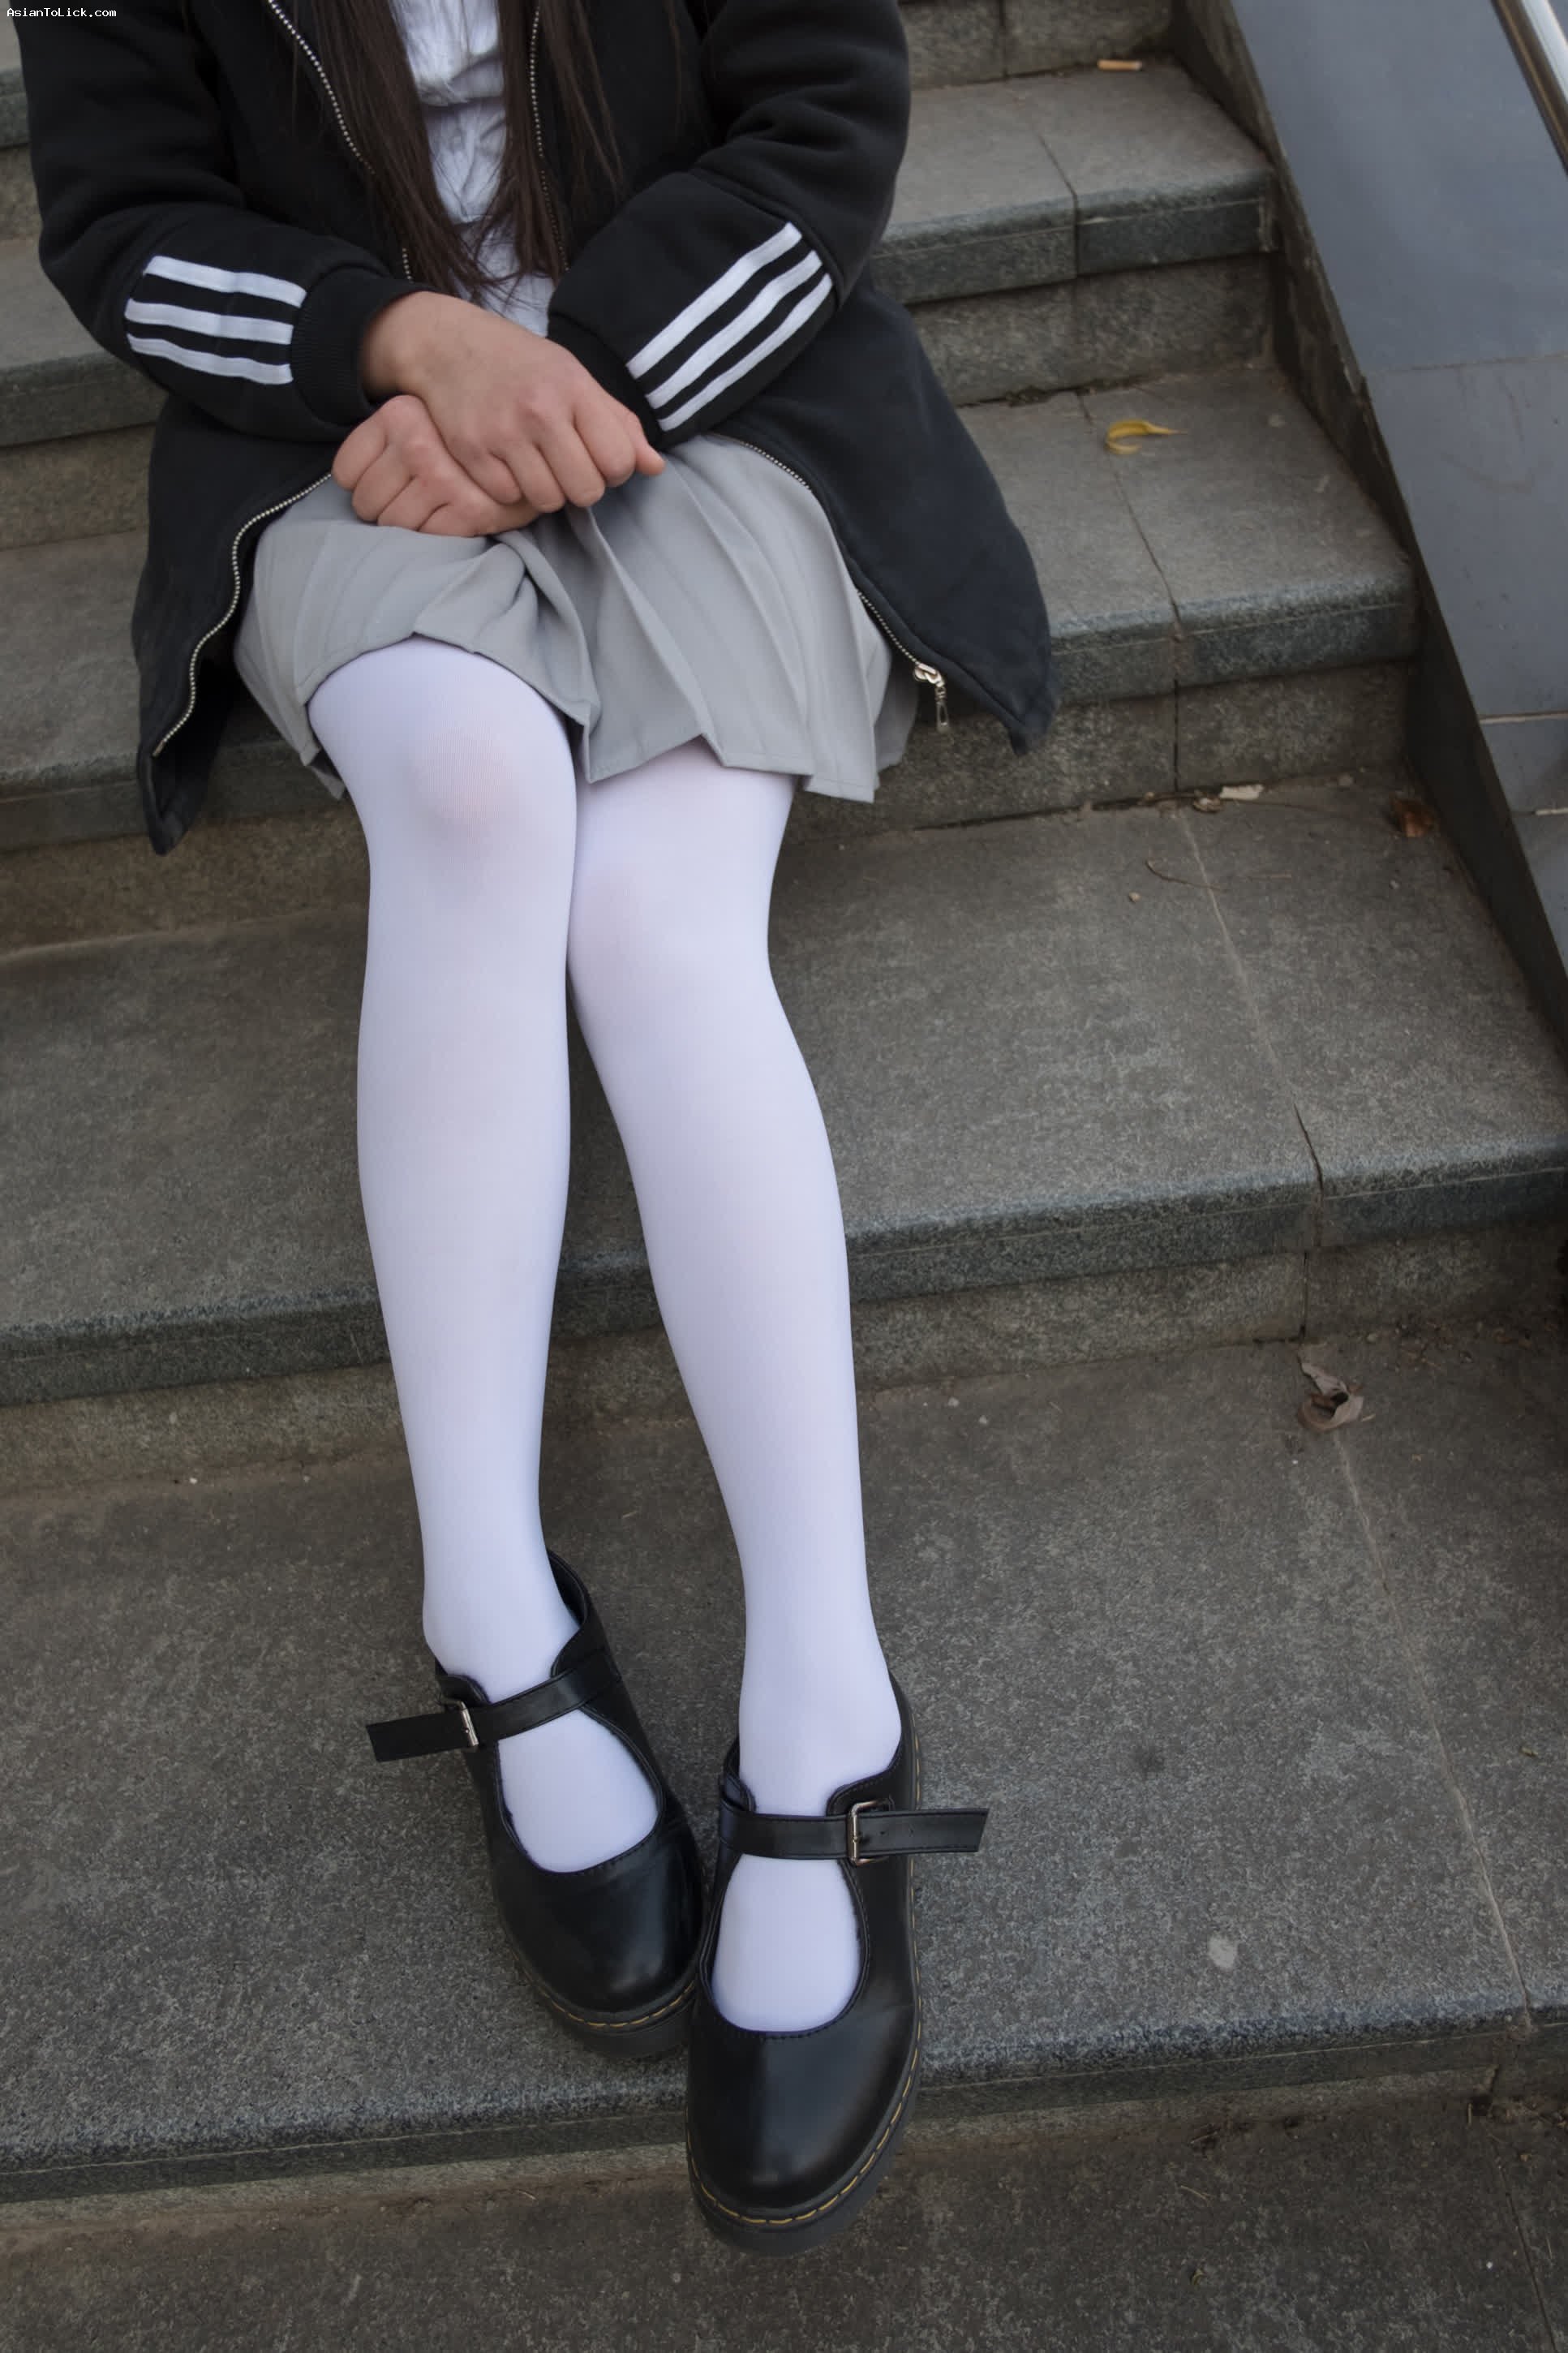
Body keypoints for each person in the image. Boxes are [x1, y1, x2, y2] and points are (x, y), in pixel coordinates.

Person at [17, 0, 1055, 2253]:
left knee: (663, 920)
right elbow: (116, 223)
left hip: (719, 399)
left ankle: (825, 1711)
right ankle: (490, 1610)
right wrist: (415, 350)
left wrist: (559, 377)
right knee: (477, 794)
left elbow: (825, 116)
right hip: (341, 437)